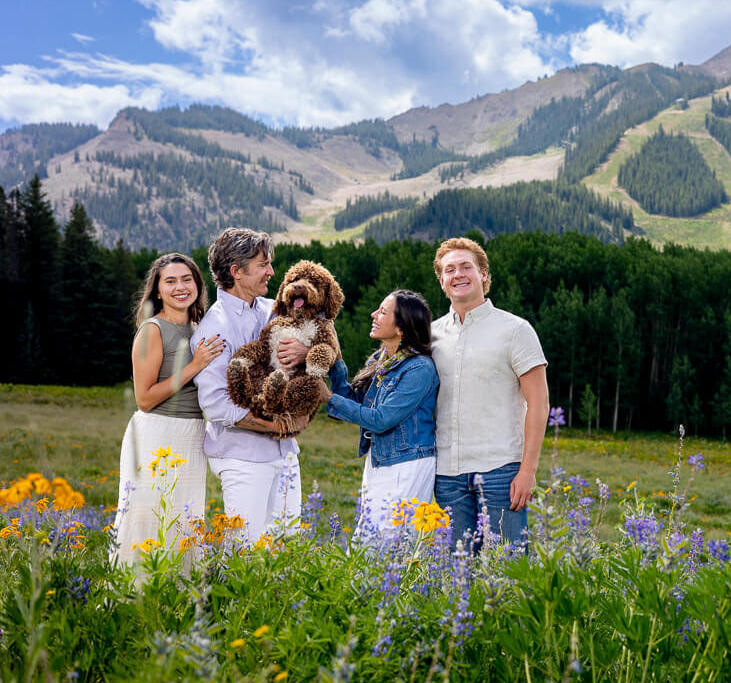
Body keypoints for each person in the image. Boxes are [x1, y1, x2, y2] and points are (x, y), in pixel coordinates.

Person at [192, 228, 311, 544]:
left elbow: (316, 333)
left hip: (285, 454)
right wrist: (277, 426)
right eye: (263, 264)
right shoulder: (215, 328)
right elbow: (218, 407)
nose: (272, 272)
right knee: (247, 553)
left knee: (287, 549)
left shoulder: (273, 310)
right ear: (236, 272)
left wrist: (306, 351)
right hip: (242, 458)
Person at [430, 238, 548, 550]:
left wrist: (528, 471)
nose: (458, 274)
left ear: (483, 273)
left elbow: (539, 403)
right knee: (455, 577)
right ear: (441, 280)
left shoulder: (516, 330)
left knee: (508, 574)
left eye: (466, 267)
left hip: (502, 472)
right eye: (449, 269)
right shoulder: (431, 335)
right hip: (447, 475)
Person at [112, 253, 223, 565]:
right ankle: (136, 592)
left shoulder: (201, 328)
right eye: (170, 281)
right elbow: (144, 398)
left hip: (192, 433)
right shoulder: (153, 329)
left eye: (187, 279)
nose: (180, 287)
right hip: (156, 432)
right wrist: (194, 365)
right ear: (157, 290)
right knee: (149, 514)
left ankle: (179, 598)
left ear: (198, 286)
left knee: (184, 515)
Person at [317, 290, 439, 534]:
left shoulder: (419, 369)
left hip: (407, 463)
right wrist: (336, 360)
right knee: (369, 537)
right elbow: (355, 401)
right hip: (380, 458)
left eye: (383, 312)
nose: (374, 314)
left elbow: (381, 419)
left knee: (393, 540)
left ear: (401, 328)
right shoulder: (382, 358)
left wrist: (328, 398)